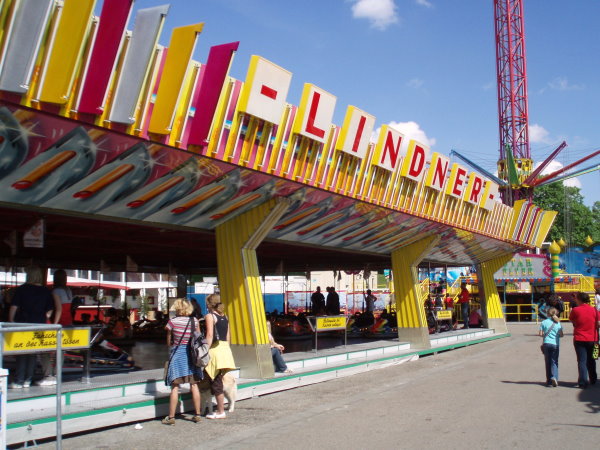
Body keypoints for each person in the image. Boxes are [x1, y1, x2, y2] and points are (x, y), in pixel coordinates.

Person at [8, 266, 55, 389]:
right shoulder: (45, 291)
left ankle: (19, 380)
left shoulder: (22, 289)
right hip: (39, 324)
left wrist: (11, 320)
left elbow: (14, 307)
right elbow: (50, 310)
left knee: (21, 352)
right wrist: (43, 317)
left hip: (23, 324)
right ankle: (28, 380)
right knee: (32, 353)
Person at [162, 298, 203, 425]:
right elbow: (198, 338)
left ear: (177, 308)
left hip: (177, 356)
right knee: (194, 385)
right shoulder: (194, 321)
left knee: (175, 387)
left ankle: (171, 417)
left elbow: (169, 342)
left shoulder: (172, 322)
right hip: (192, 356)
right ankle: (197, 414)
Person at [204, 293, 236, 419]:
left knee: (216, 381)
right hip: (224, 349)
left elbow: (209, 335)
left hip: (215, 350)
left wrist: (204, 351)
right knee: (218, 380)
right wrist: (227, 349)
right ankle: (218, 408)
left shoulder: (210, 316)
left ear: (209, 304)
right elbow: (228, 335)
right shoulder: (225, 316)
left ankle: (220, 411)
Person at [569, 292, 600, 388]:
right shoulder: (594, 310)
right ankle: (593, 378)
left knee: (582, 360)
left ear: (579, 300)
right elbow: (598, 323)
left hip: (579, 338)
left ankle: (583, 381)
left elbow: (572, 320)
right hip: (593, 338)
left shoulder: (575, 310)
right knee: (592, 359)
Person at [539, 307, 563, 387]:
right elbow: (561, 334)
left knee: (547, 362)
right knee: (554, 361)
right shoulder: (558, 323)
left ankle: (549, 380)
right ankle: (554, 377)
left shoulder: (544, 322)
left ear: (547, 314)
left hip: (546, 344)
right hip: (555, 344)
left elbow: (540, 334)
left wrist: (545, 334)